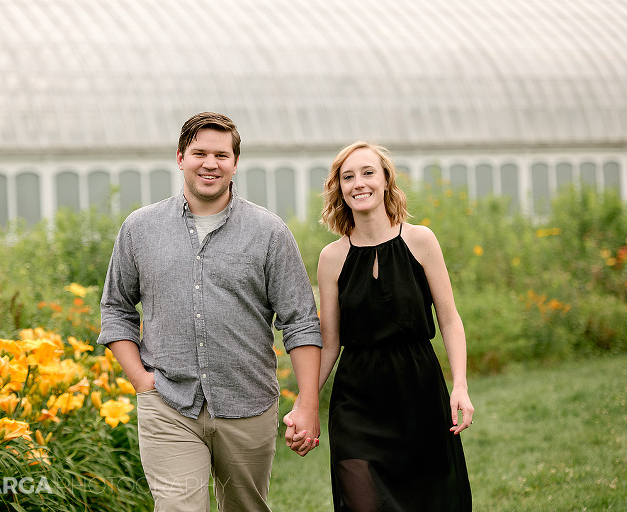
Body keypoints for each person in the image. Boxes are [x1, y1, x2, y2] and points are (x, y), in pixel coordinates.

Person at [97, 112, 322, 512]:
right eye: (199, 152)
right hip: (168, 402)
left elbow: (300, 322)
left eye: (221, 154)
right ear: (181, 157)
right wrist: (141, 380)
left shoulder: (269, 232)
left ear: (235, 163)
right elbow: (116, 308)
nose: (210, 163)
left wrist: (306, 403)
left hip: (248, 404)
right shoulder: (140, 228)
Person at [287, 141, 473, 511]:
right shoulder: (332, 258)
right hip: (356, 402)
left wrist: (461, 386)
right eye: (348, 176)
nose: (359, 183)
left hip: (418, 393)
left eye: (368, 172)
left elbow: (449, 320)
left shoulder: (421, 241)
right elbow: (330, 340)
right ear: (339, 187)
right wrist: (305, 402)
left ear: (387, 179)